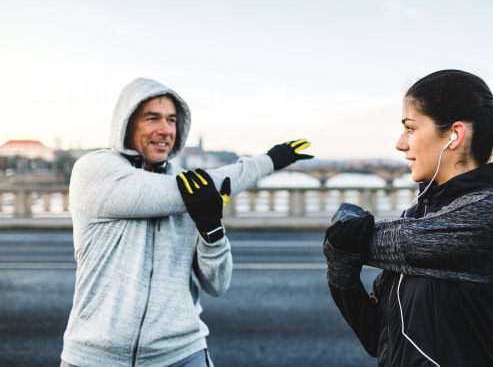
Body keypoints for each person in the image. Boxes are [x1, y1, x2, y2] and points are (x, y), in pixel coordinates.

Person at [323, 70, 493, 366]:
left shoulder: (492, 214)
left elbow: (356, 242)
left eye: (410, 128)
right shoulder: (420, 214)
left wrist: (341, 236)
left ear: (455, 135)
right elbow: (376, 337)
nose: (400, 143)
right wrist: (342, 271)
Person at [60, 77, 313, 367]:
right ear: (126, 123)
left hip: (182, 354)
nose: (165, 130)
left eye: (171, 120)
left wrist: (212, 232)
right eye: (152, 118)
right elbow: (199, 188)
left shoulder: (191, 188)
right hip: (94, 358)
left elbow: (217, 284)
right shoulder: (96, 170)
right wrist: (269, 160)